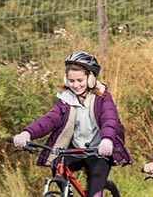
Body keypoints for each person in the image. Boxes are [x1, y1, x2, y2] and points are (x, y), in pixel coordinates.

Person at [12, 52, 131, 197]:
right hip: (74, 150)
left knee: (94, 190)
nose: (76, 85)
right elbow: (49, 120)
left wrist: (107, 139)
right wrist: (27, 133)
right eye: (71, 81)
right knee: (58, 165)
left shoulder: (102, 97)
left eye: (80, 80)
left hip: (99, 151)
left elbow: (109, 119)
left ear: (91, 78)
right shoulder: (65, 100)